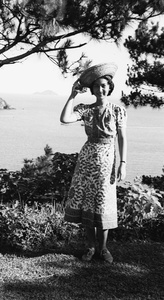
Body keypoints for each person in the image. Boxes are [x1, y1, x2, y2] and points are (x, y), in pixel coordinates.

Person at [60, 62, 127, 263]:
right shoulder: (86, 109)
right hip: (87, 158)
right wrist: (72, 95)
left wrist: (123, 162)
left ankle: (104, 248)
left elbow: (122, 138)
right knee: (87, 202)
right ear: (92, 89)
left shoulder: (118, 110)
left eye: (104, 85)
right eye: (97, 86)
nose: (101, 89)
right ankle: (90, 246)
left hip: (107, 158)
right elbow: (64, 118)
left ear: (110, 88)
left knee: (103, 203)